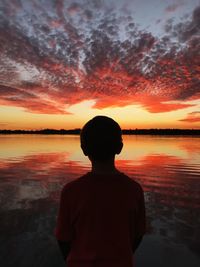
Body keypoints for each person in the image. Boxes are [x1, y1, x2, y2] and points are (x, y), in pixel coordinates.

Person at [55, 115, 146, 267]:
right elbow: (137, 236)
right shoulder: (134, 190)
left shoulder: (71, 191)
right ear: (120, 147)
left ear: (84, 149)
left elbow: (63, 239)